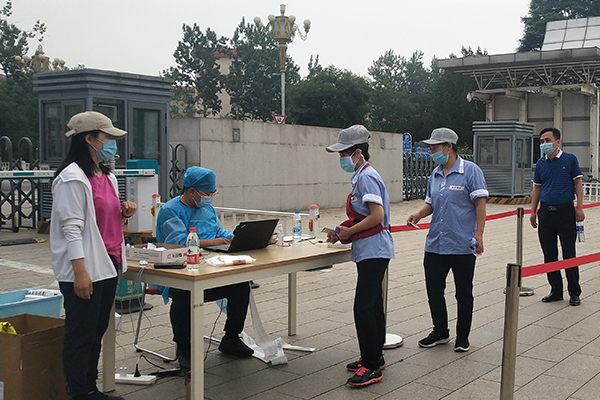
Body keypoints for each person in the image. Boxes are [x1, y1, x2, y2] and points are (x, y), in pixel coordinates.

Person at [51, 111, 137, 400]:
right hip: (85, 266)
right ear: (89, 139)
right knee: (81, 333)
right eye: (107, 137)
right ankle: (79, 391)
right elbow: (72, 228)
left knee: (98, 328)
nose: (112, 144)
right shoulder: (72, 178)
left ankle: (90, 387)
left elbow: (104, 221)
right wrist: (80, 273)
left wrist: (124, 215)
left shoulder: (108, 176)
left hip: (108, 261)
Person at [155, 166, 253, 370]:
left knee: (241, 285)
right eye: (207, 193)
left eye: (212, 193)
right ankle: (184, 347)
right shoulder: (170, 210)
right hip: (178, 269)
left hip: (210, 267)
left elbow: (218, 231)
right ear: (192, 191)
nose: (210, 198)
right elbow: (178, 241)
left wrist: (234, 238)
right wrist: (213, 242)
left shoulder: (207, 209)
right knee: (184, 293)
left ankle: (231, 338)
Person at [325, 125, 395, 387]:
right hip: (369, 249)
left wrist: (349, 232)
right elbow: (363, 215)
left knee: (363, 307)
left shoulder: (366, 177)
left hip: (374, 250)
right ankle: (374, 356)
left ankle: (372, 366)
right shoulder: (361, 175)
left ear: (357, 153)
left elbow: (377, 215)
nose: (341, 159)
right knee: (373, 305)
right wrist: (342, 231)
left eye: (343, 154)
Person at [407, 127, 488, 353]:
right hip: (436, 243)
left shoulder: (470, 171)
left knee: (463, 292)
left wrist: (479, 233)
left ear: (449, 146)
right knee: (434, 291)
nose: (432, 152)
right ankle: (440, 331)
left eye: (434, 148)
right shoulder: (435, 174)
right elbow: (431, 203)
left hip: (462, 243)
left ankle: (463, 336)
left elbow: (480, 203)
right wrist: (419, 213)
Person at [530, 127, 584, 306]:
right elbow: (537, 188)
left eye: (547, 140)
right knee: (549, 253)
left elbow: (578, 183)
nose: (544, 144)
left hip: (565, 212)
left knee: (569, 253)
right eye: (541, 141)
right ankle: (556, 290)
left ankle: (574, 292)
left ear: (557, 142)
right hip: (546, 213)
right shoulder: (541, 164)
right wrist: (533, 211)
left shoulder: (570, 159)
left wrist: (579, 207)